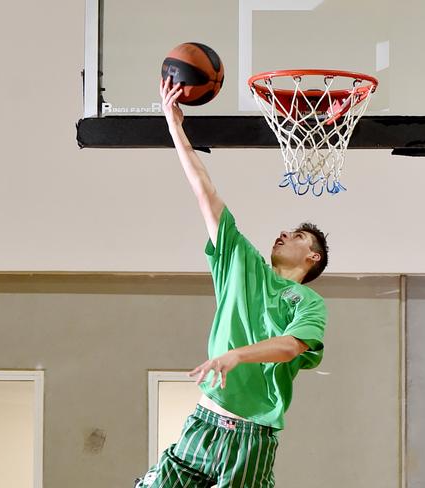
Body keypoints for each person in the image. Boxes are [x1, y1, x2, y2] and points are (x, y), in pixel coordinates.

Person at [134, 78, 329, 488]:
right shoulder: (240, 261)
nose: (284, 234)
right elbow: (204, 191)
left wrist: (237, 355)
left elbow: (292, 347)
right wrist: (174, 125)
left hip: (250, 439)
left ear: (313, 258)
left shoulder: (308, 302)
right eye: (286, 231)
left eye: (298, 236)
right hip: (203, 424)